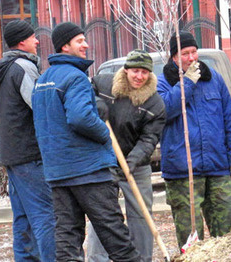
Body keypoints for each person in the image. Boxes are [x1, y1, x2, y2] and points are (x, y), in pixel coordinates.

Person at [31, 22, 140, 262]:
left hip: (58, 172)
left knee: (68, 238)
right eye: (80, 40)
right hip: (88, 170)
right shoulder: (76, 77)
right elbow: (80, 118)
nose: (86, 45)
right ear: (65, 46)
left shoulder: (42, 81)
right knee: (115, 234)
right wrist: (105, 135)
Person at [156, 31, 231, 250]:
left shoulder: (214, 78)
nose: (191, 58)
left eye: (194, 52)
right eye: (185, 53)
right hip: (182, 172)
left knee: (229, 234)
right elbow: (165, 111)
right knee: (191, 240)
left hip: (217, 167)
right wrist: (186, 83)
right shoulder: (163, 83)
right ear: (174, 57)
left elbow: (229, 119)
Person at [0, 20, 55, 261]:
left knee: (23, 219)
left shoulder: (2, 70)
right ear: (22, 41)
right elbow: (40, 106)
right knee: (46, 217)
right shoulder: (23, 67)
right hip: (30, 155)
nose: (37, 41)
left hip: (12, 155)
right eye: (33, 37)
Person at [86, 49, 166, 262]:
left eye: (144, 72)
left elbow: (149, 139)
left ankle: (141, 258)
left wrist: (131, 162)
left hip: (136, 165)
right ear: (126, 70)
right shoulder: (105, 84)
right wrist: (97, 102)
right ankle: (97, 259)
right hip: (104, 161)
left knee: (141, 214)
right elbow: (85, 89)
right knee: (102, 214)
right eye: (135, 71)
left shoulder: (154, 103)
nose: (139, 77)